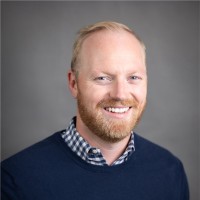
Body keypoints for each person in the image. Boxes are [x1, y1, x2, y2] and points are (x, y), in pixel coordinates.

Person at [1, 21, 189, 200]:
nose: (120, 94)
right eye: (102, 78)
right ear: (74, 83)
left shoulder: (170, 171)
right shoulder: (15, 179)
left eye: (133, 77)